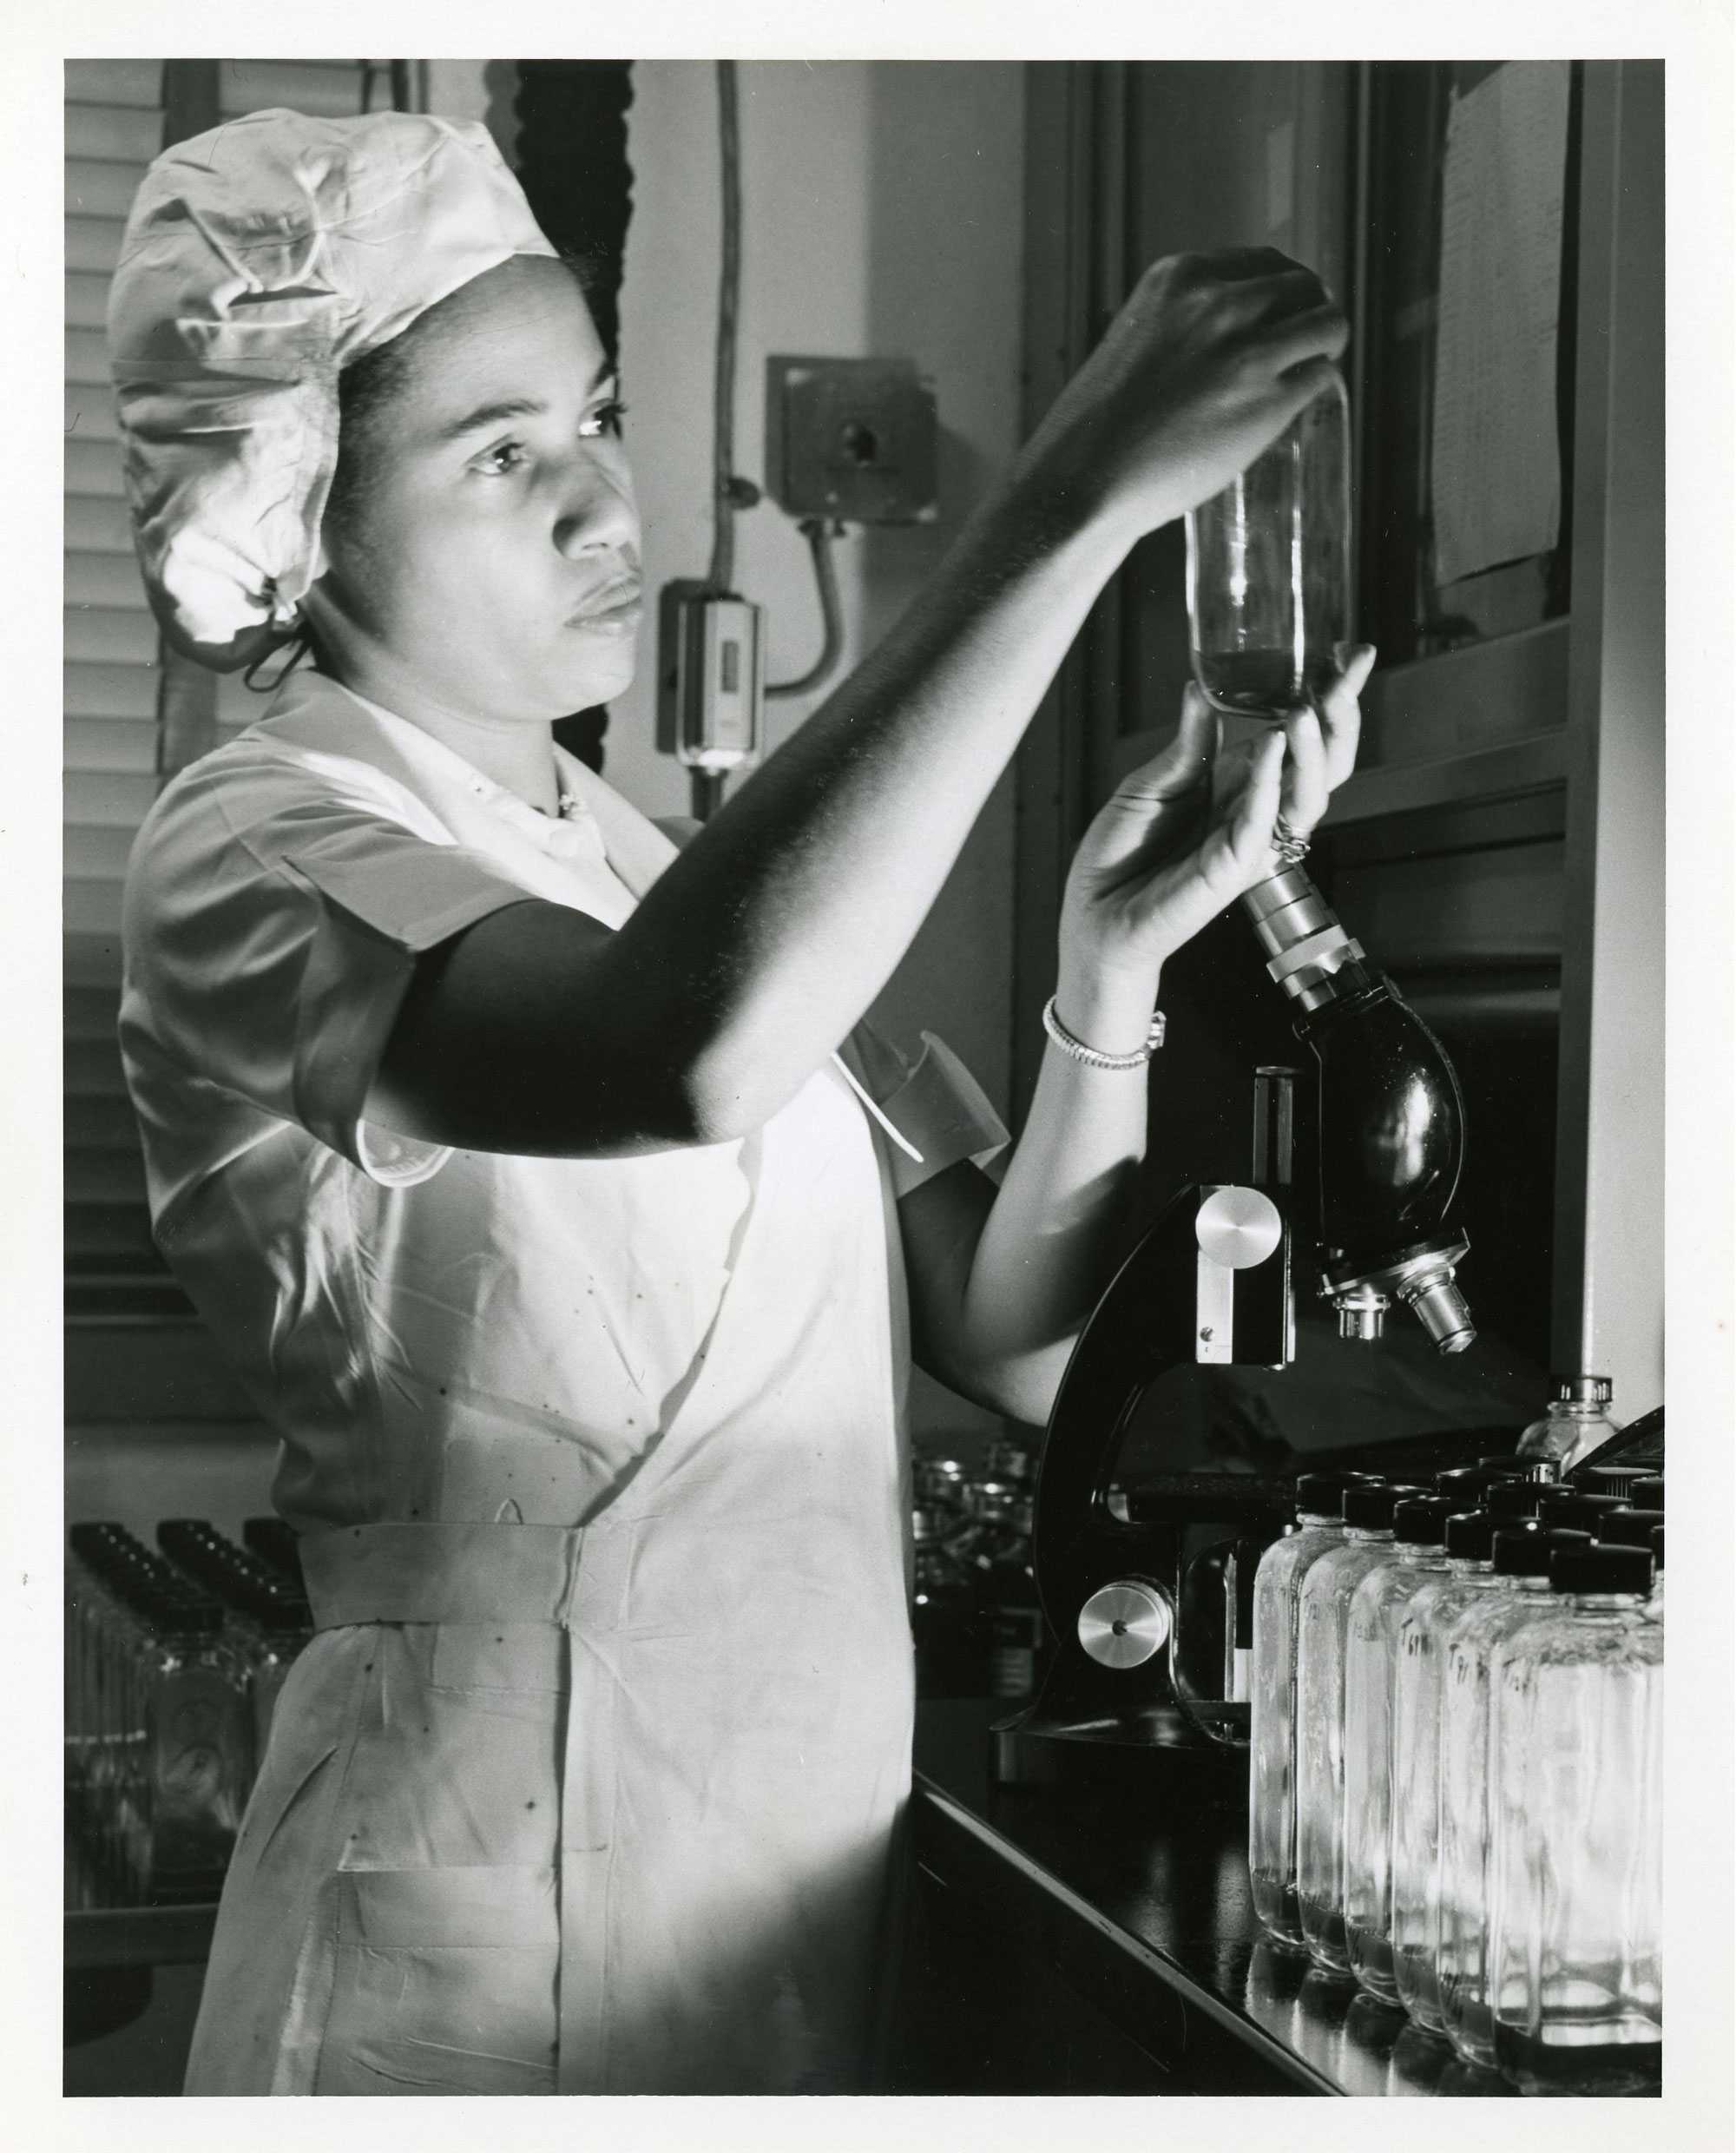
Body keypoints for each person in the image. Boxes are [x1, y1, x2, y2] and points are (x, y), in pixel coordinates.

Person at [108, 109, 1367, 2095]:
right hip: (469, 1930)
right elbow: (669, 1054)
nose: (608, 505)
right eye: (500, 452)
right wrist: (1060, 503)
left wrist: (1102, 979)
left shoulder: (630, 856)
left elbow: (1021, 1345)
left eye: (594, 414)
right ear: (299, 510)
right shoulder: (253, 844)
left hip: (776, 1872)